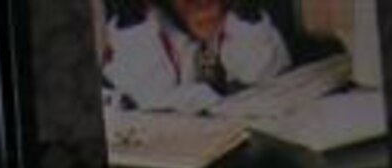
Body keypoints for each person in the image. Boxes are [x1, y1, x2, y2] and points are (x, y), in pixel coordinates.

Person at [101, 0, 292, 113]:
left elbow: (264, 79)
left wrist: (244, 14)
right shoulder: (134, 33)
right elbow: (148, 105)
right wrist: (213, 95)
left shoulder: (241, 19)